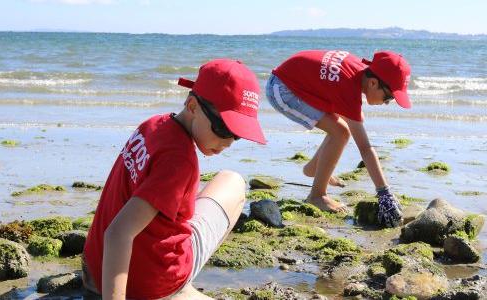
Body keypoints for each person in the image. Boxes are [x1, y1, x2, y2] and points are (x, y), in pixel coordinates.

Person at [82, 59, 266, 299]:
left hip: (96, 270)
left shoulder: (152, 125)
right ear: (192, 106)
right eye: (223, 128)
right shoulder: (180, 161)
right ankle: (181, 290)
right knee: (233, 181)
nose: (229, 141)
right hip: (152, 285)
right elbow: (118, 233)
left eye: (238, 134)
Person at [266, 50, 410, 227]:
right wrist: (384, 192)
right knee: (340, 132)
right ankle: (317, 196)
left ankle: (314, 169)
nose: (388, 102)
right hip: (282, 90)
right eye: (389, 97)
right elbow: (365, 148)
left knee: (340, 128)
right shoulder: (348, 88)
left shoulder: (357, 72)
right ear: (373, 83)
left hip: (298, 83)